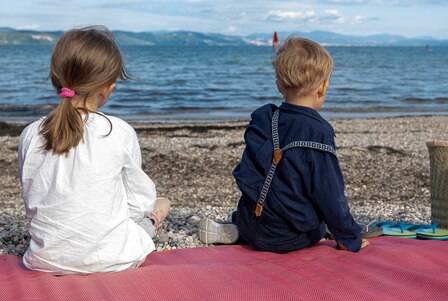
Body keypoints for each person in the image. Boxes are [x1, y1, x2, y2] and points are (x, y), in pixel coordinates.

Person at [17, 26, 170, 275]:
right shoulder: (118, 132)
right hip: (112, 259)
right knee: (161, 203)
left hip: (45, 259)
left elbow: (32, 196)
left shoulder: (30, 134)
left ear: (56, 79)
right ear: (108, 87)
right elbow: (139, 201)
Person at [199, 36, 368, 253]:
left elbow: (250, 171)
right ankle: (328, 230)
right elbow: (330, 194)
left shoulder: (264, 119)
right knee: (321, 224)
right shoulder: (318, 132)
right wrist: (348, 237)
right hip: (287, 237)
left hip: (253, 222)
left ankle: (237, 228)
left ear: (279, 85)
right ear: (323, 87)